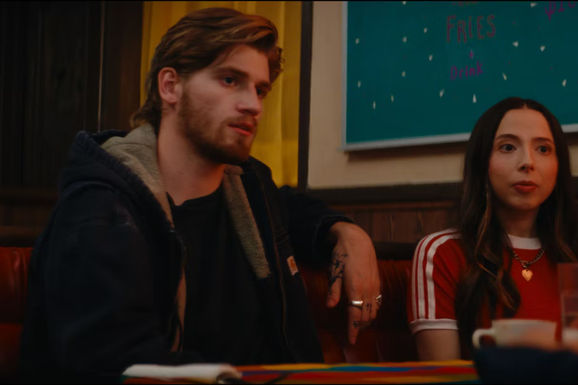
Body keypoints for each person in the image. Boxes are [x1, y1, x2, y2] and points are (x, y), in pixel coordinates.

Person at [20, 8, 381, 382]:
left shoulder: (251, 189)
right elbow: (117, 364)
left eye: (260, 90)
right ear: (170, 87)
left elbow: (292, 208)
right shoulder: (102, 209)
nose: (253, 105)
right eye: (229, 80)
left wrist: (346, 232)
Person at [407, 97, 578, 360]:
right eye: (508, 147)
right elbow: (443, 374)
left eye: (543, 149)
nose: (527, 162)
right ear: (482, 162)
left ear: (558, 166)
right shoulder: (442, 252)